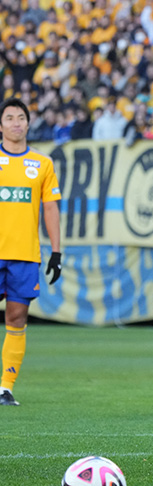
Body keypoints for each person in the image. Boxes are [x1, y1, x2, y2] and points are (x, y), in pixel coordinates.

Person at [0, 97, 62, 406]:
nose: (16, 123)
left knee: (17, 316)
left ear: (28, 123)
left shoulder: (42, 163)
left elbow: (50, 208)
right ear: (1, 126)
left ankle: (5, 387)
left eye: (21, 117)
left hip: (25, 254)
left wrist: (56, 252)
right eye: (9, 117)